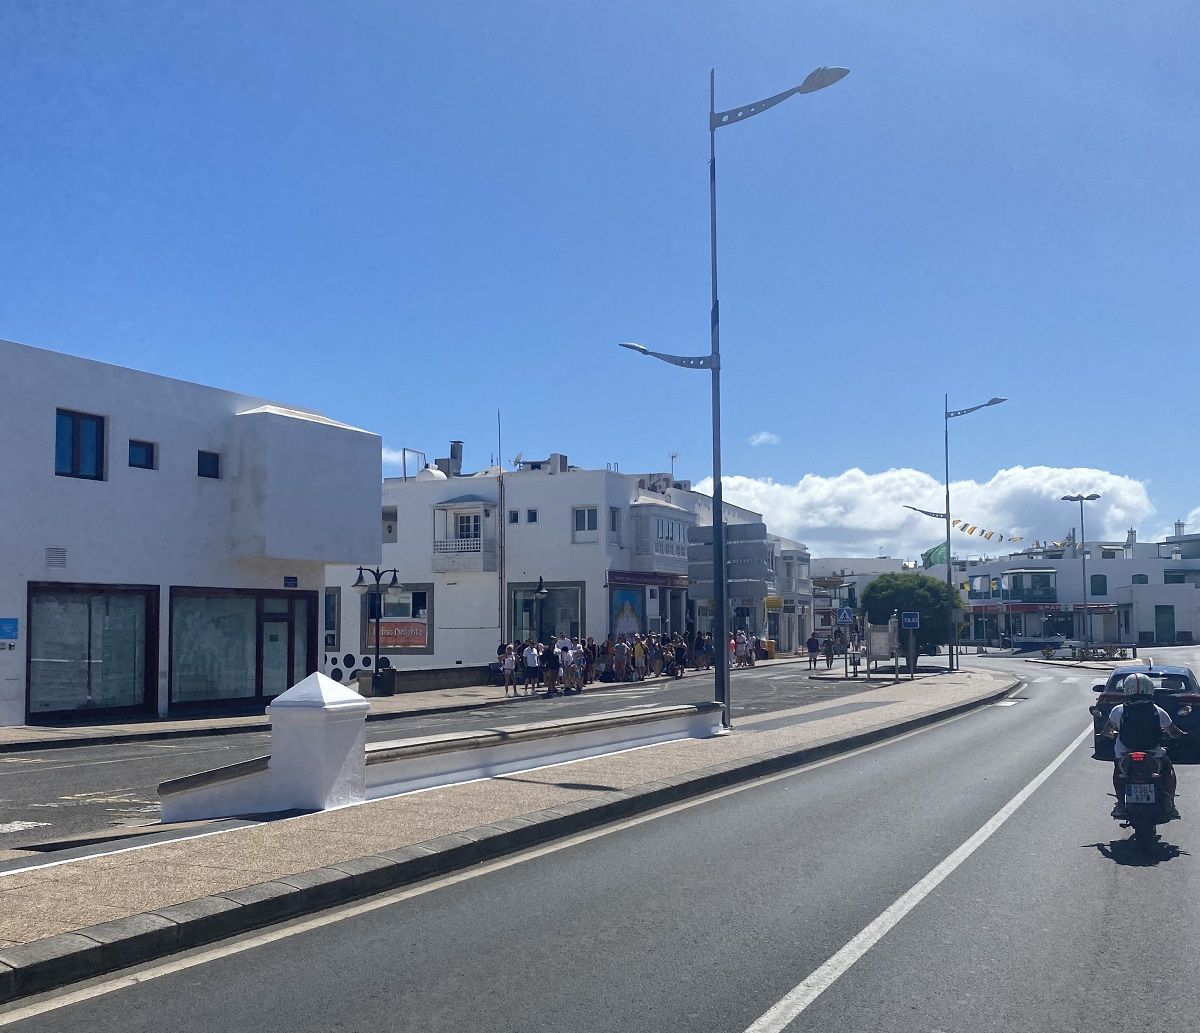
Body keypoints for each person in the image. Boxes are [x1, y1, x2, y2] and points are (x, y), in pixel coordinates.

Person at [1100, 672, 1186, 819]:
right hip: (1153, 754)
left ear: (1127, 689)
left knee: (1119, 773)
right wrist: (1180, 735)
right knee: (1168, 770)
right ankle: (1170, 802)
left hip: (1125, 754)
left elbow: (1107, 730)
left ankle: (1121, 803)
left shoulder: (1118, 710)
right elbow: (1173, 731)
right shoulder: (1158, 711)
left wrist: (1107, 735)